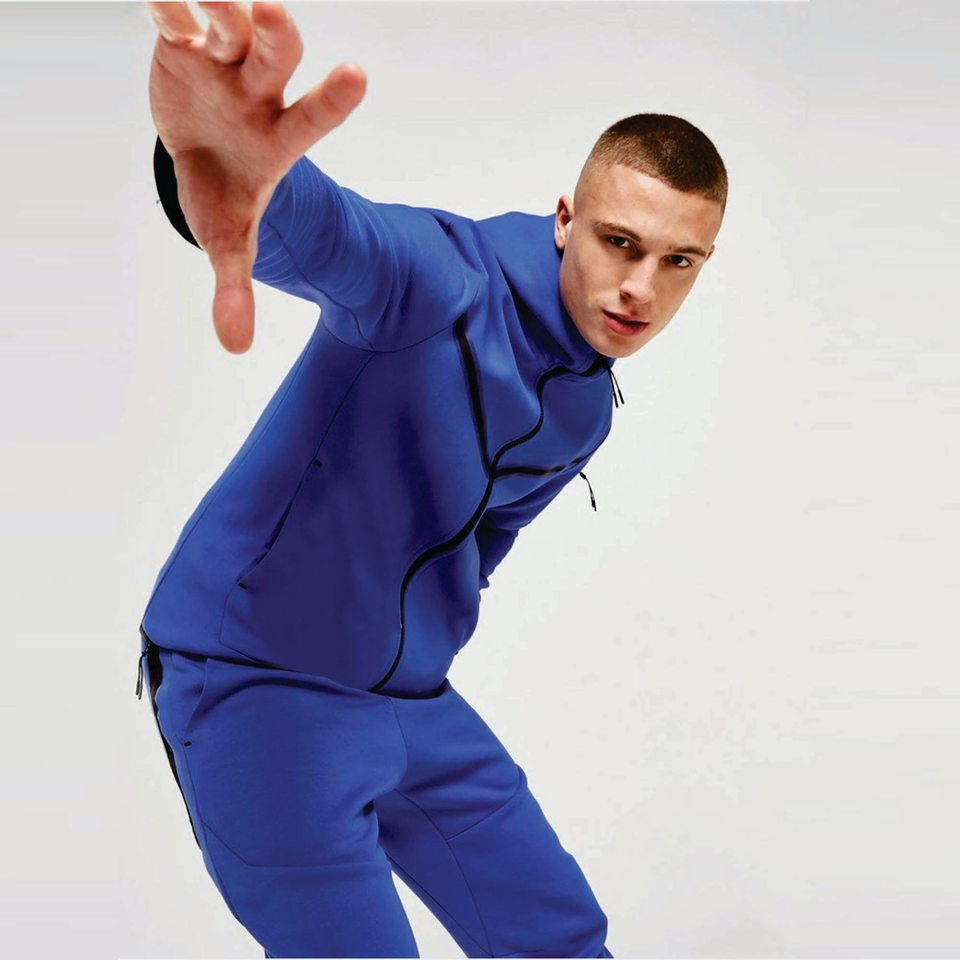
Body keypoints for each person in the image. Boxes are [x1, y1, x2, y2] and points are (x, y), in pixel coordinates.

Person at [136, 2, 726, 957]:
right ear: (566, 220)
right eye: (620, 242)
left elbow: (481, 541)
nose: (641, 291)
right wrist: (236, 170)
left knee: (566, 943)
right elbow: (337, 235)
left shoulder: (586, 402)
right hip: (254, 678)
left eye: (679, 262)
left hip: (406, 697)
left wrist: (416, 637)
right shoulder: (437, 284)